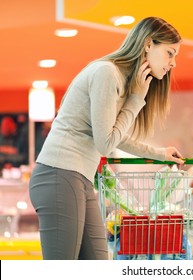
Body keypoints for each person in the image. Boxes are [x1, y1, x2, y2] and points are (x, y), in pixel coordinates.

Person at [29, 17, 184, 260]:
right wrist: (135, 101)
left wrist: (159, 153)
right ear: (147, 45)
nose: (173, 63)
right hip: (59, 174)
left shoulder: (119, 79)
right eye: (170, 53)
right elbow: (106, 143)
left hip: (77, 177)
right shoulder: (107, 73)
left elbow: (112, 135)